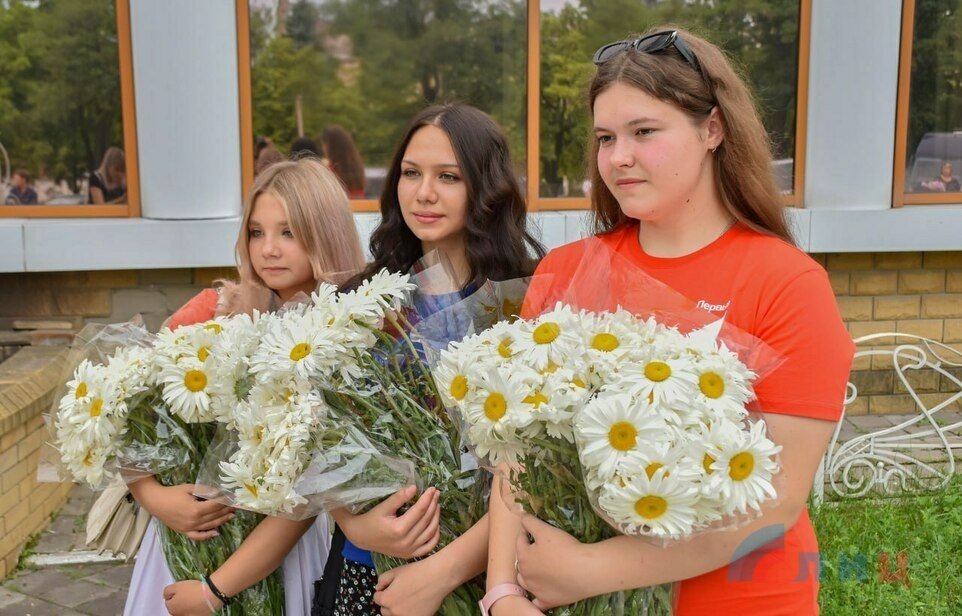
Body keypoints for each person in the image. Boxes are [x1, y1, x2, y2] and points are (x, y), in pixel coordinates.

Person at [485, 28, 855, 615]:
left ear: (713, 129)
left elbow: (775, 502)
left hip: (741, 599)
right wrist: (502, 591)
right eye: (606, 138)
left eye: (644, 132)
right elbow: (516, 454)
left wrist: (589, 569)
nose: (618, 157)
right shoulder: (564, 272)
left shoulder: (787, 284)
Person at [316, 103, 545, 616]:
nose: (424, 193)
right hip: (372, 571)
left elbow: (538, 464)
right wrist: (352, 518)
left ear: (486, 188)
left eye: (449, 177)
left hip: (491, 574)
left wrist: (447, 569)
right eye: (411, 173)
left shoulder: (529, 301)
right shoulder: (361, 300)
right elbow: (316, 433)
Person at [125, 158, 366, 616]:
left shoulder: (346, 339)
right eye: (257, 233)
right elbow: (126, 412)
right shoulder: (218, 311)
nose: (268, 249)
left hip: (274, 555)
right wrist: (155, 497)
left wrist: (215, 591)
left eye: (288, 232)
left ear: (326, 233)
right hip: (186, 545)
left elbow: (306, 498)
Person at [320, 125, 366, 199]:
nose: (323, 149)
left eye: (323, 145)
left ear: (330, 146)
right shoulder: (356, 166)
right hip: (359, 207)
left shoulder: (329, 170)